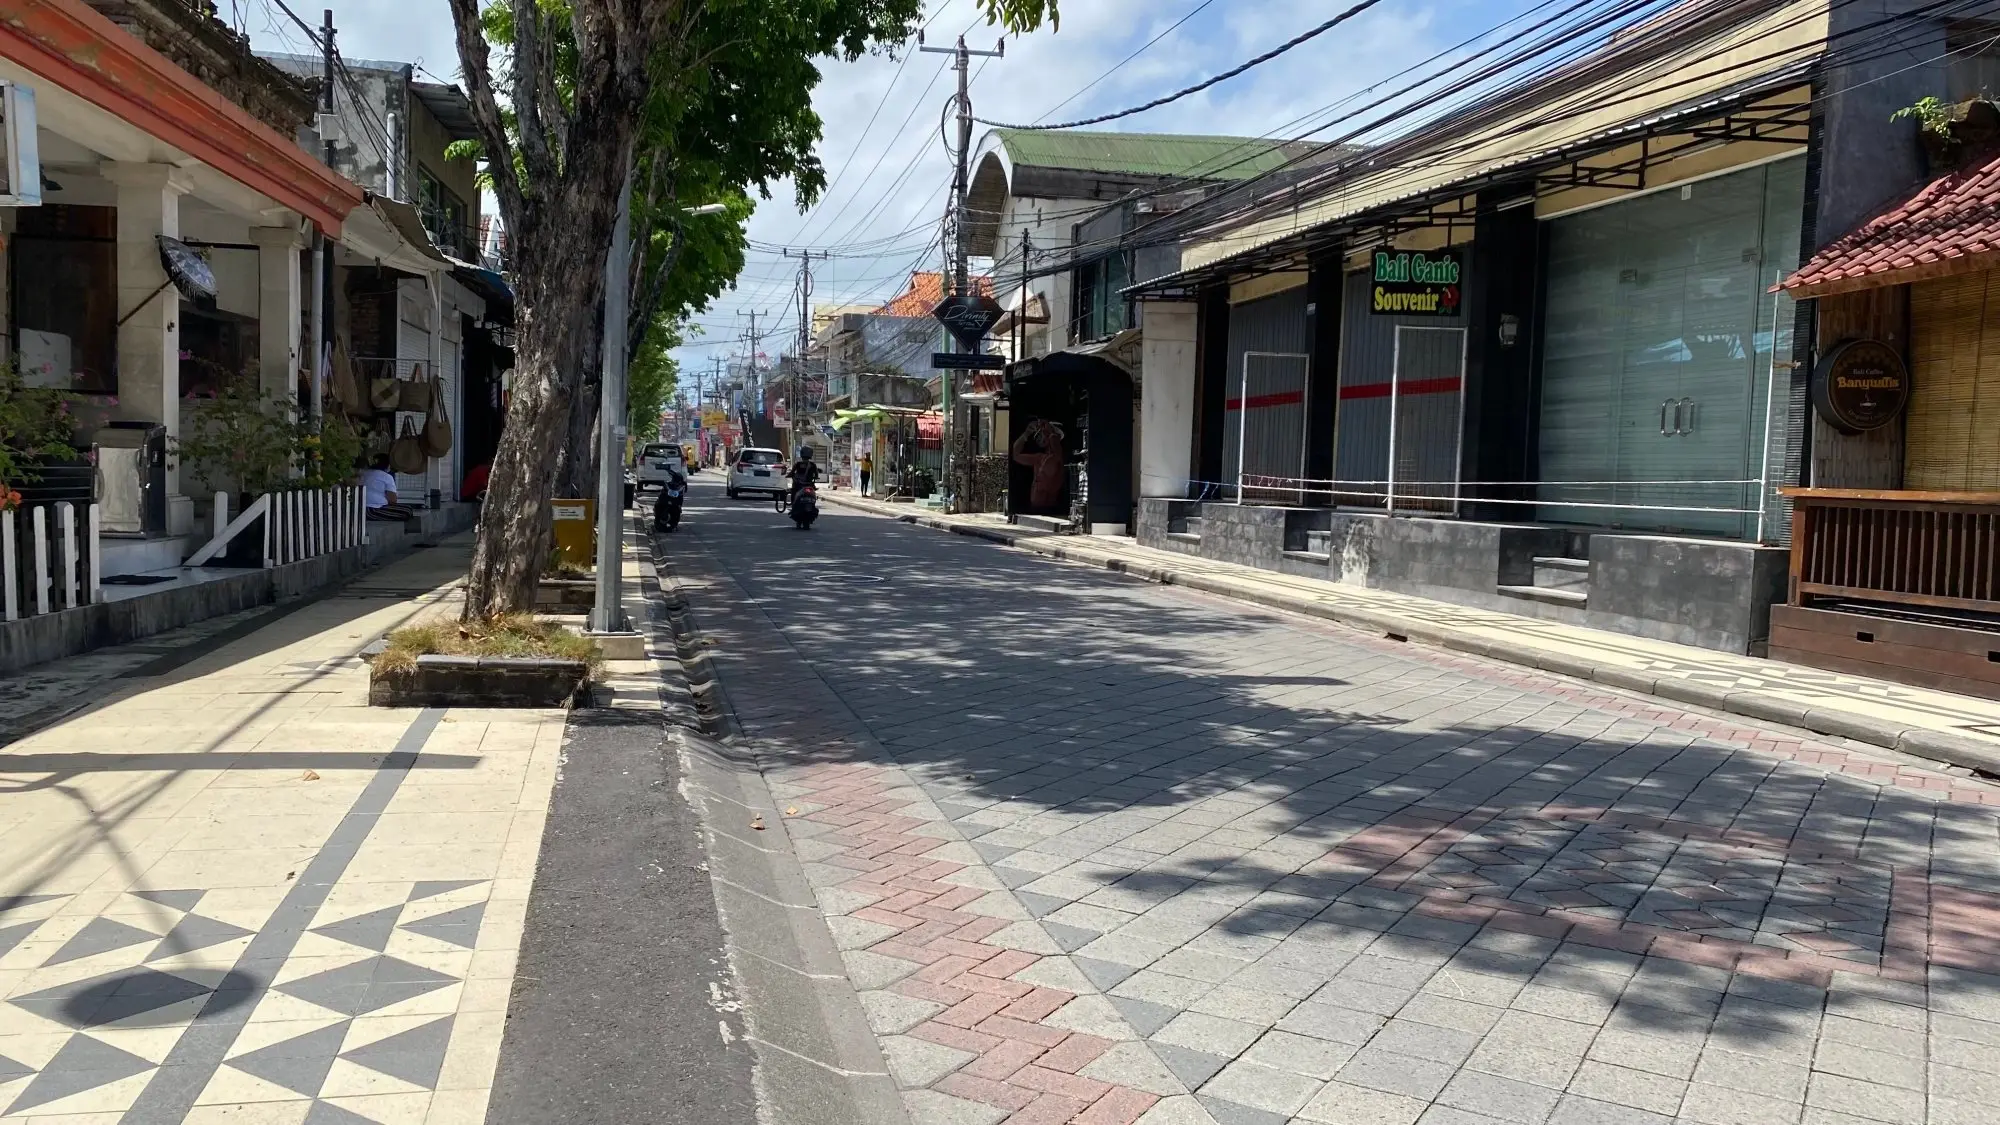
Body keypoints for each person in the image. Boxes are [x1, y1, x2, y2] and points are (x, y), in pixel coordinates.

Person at [358, 455, 414, 522]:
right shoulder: (387, 477)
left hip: (359, 509)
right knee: (407, 510)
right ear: (388, 465)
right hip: (373, 510)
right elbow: (392, 500)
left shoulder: (363, 473)